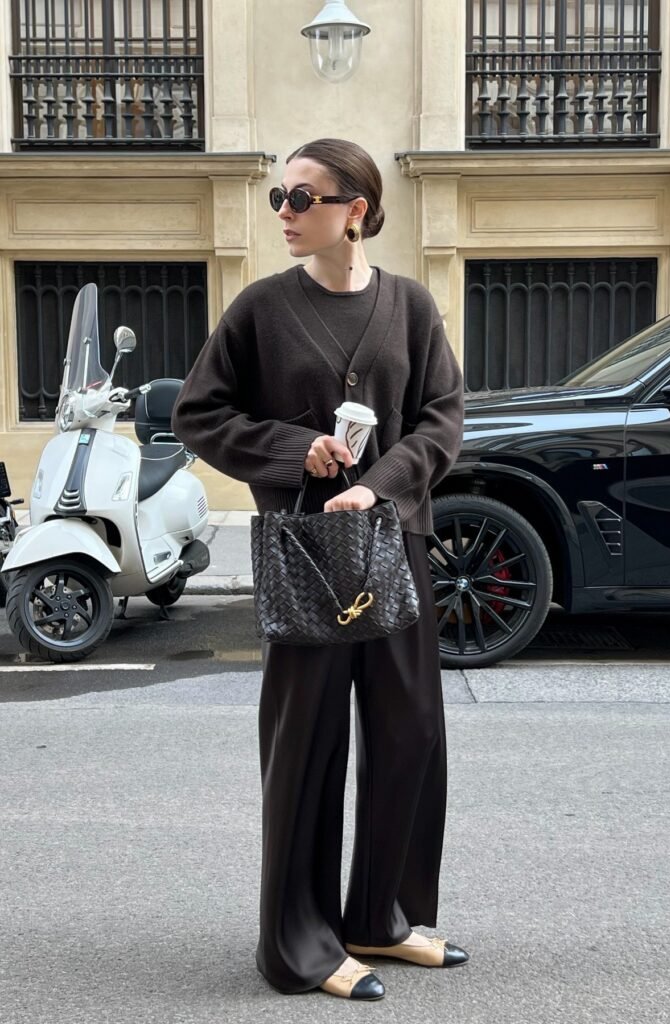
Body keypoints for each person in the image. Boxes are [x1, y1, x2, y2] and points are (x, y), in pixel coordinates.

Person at [171, 138, 467, 1001]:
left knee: (410, 732)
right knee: (306, 743)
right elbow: (199, 414)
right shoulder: (261, 309)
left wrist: (379, 485)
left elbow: (442, 419)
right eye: (279, 197)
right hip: (305, 553)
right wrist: (294, 449)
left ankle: (378, 917)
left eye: (301, 197)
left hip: (391, 543)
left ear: (355, 211)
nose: (284, 213)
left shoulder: (410, 306)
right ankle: (298, 944)